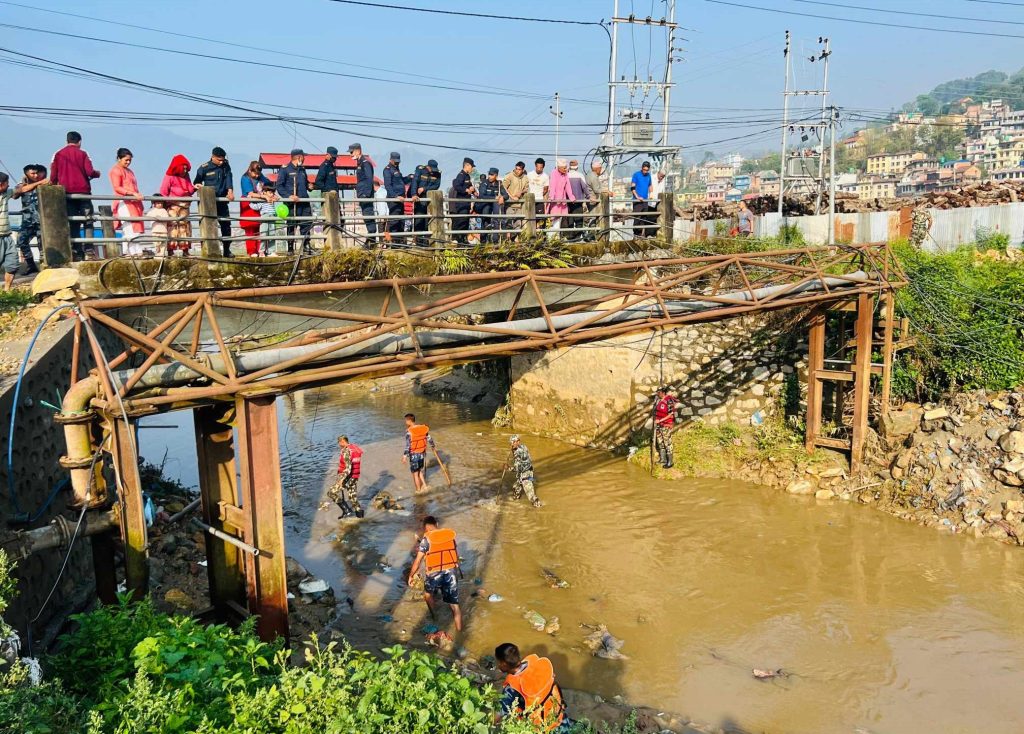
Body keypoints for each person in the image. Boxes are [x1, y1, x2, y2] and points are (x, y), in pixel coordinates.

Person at [494, 642, 570, 732]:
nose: (497, 665)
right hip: (560, 719)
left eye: (498, 662)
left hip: (542, 729)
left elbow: (498, 715)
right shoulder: (538, 665)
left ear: (504, 664)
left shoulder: (512, 688)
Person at [49, 131, 100, 260]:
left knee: (73, 222)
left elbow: (53, 176)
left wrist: (55, 184)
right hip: (83, 192)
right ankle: (89, 249)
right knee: (88, 220)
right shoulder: (83, 154)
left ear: (67, 141)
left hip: (67, 194)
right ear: (79, 142)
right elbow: (89, 171)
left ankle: (77, 251)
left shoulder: (58, 154)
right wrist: (96, 174)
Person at [407, 515, 462, 632]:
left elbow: (417, 561)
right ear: (436, 524)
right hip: (450, 571)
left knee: (427, 595)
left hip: (434, 573)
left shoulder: (426, 540)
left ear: (425, 528)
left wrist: (411, 576)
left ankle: (434, 616)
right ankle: (459, 632)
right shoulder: (449, 536)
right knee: (455, 606)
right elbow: (455, 555)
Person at [193, 146, 235, 257]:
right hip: (209, 201)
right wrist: (199, 186)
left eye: (223, 160)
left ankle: (227, 250)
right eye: (219, 160)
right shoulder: (204, 168)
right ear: (213, 157)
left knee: (226, 225)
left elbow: (229, 179)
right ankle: (210, 251)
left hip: (222, 201)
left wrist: (230, 191)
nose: (221, 162)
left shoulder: (226, 166)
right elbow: (196, 182)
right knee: (210, 226)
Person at [275, 149, 312, 254]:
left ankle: (306, 245)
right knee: (291, 224)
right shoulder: (285, 170)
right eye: (303, 157)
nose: (304, 159)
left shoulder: (302, 169)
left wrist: (309, 186)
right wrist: (289, 196)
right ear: (299, 157)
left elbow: (305, 183)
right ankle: (290, 247)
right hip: (292, 203)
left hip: (304, 201)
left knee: (306, 224)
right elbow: (279, 186)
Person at [12, 164, 47, 274]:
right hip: (27, 220)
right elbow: (16, 193)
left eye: (37, 173)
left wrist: (40, 183)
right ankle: (31, 265)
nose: (35, 175)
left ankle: (44, 266)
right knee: (21, 241)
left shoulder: (45, 183)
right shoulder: (23, 185)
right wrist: (35, 183)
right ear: (26, 174)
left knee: (43, 244)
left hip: (42, 220)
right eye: (32, 173)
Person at [109, 148, 145, 254]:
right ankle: (128, 251)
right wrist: (132, 193)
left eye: (130, 160)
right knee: (129, 227)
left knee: (136, 227)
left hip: (134, 202)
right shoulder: (115, 170)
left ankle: (137, 251)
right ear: (119, 159)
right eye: (126, 160)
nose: (128, 162)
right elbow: (117, 187)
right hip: (124, 202)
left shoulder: (130, 171)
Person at [159, 154, 196, 256]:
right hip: (172, 207)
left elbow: (189, 189)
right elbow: (163, 192)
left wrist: (195, 188)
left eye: (186, 168)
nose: (185, 170)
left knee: (185, 228)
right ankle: (171, 250)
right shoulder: (169, 177)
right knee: (173, 228)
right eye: (183, 168)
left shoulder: (186, 176)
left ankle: (185, 250)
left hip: (184, 207)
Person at [240, 161, 273, 257]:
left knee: (260, 227)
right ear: (250, 170)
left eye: (258, 174)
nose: (257, 176)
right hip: (249, 202)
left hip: (260, 203)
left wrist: (270, 194)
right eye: (255, 173)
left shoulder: (260, 176)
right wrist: (263, 197)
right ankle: (251, 251)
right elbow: (250, 193)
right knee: (250, 227)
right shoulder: (245, 178)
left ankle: (260, 250)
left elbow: (268, 184)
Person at [328, 435, 364, 519]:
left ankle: (346, 510)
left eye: (339, 443)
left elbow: (348, 468)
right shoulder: (353, 447)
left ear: (342, 442)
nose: (339, 445)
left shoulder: (346, 451)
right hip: (355, 476)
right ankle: (360, 518)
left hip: (348, 477)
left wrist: (341, 479)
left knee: (331, 493)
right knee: (352, 497)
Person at [349, 143, 377, 245]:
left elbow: (369, 179)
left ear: (358, 151)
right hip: (362, 194)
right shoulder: (360, 163)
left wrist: (366, 194)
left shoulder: (365, 163)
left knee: (368, 215)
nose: (350, 155)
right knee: (366, 216)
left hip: (366, 195)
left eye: (352, 152)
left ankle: (372, 240)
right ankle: (371, 239)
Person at [403, 412, 435, 494]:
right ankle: (424, 485)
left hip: (414, 455)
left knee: (415, 474)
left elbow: (408, 445)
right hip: (422, 454)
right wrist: (432, 446)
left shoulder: (409, 432)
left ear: (409, 421)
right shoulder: (423, 429)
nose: (405, 422)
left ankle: (418, 491)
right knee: (419, 470)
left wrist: (404, 456)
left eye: (406, 421)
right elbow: (429, 438)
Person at [411, 159, 441, 245]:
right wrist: (413, 194)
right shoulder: (420, 170)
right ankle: (418, 241)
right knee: (419, 219)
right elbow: (414, 182)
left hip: (430, 199)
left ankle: (426, 241)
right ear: (428, 167)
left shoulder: (437, 173)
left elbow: (436, 185)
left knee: (427, 221)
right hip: (419, 199)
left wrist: (424, 189)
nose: (433, 171)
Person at [508, 435, 542, 508]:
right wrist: (513, 449)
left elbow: (517, 467)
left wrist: (508, 468)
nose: (516, 443)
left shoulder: (517, 453)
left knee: (531, 496)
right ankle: (516, 501)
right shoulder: (523, 446)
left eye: (516, 441)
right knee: (516, 487)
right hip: (528, 471)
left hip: (525, 474)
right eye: (515, 442)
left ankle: (540, 509)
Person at [476, 167, 506, 244]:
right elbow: (482, 195)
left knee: (497, 220)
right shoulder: (484, 183)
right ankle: (483, 242)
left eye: (492, 175)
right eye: (489, 174)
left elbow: (506, 194)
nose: (489, 176)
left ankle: (495, 240)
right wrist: (494, 198)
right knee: (485, 221)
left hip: (494, 206)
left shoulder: (499, 184)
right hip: (485, 205)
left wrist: (503, 197)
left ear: (496, 176)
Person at [451, 157, 476, 244]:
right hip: (461, 203)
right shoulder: (461, 175)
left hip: (466, 203)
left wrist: (473, 190)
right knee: (461, 221)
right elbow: (456, 185)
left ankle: (464, 239)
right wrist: (466, 190)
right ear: (467, 165)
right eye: (471, 166)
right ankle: (458, 239)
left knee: (465, 222)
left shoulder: (467, 176)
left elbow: (469, 186)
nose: (472, 168)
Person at [382, 151, 406, 242]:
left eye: (398, 161)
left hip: (400, 199)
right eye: (395, 161)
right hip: (394, 200)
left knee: (401, 221)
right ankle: (395, 243)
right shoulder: (387, 170)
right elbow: (388, 185)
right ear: (390, 160)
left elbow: (401, 181)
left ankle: (400, 242)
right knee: (394, 221)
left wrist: (409, 178)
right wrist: (395, 196)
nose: (397, 163)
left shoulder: (396, 169)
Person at [653, 386, 678, 469]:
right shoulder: (659, 400)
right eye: (657, 392)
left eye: (659, 392)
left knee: (667, 442)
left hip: (666, 425)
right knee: (660, 442)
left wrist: (660, 420)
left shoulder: (669, 400)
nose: (657, 394)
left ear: (663, 392)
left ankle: (670, 462)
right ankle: (663, 459)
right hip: (659, 425)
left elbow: (671, 414)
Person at [565, 160, 591, 239]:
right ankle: (578, 237)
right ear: (577, 167)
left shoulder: (566, 175)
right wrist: (588, 196)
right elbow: (584, 187)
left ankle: (570, 237)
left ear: (569, 167)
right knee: (579, 219)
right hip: (578, 201)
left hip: (568, 201)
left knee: (570, 219)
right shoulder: (580, 175)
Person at [501, 161, 529, 233]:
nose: (517, 171)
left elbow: (527, 188)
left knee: (518, 225)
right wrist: (512, 197)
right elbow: (503, 187)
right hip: (509, 204)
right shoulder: (509, 176)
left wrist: (521, 192)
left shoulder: (525, 177)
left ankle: (516, 242)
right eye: (516, 168)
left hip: (519, 205)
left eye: (519, 169)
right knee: (508, 225)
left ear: (523, 170)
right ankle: (507, 242)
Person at [0, 173, 17, 290]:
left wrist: (39, 183)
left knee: (12, 264)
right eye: (7, 183)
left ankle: (7, 291)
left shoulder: (6, 193)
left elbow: (21, 189)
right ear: (1, 184)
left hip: (7, 236)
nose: (9, 184)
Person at [585, 160, 608, 240]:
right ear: (597, 168)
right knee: (593, 218)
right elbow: (596, 190)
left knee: (594, 218)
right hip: (593, 200)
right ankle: (590, 236)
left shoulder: (589, 174)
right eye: (600, 168)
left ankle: (591, 235)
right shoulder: (593, 177)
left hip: (590, 199)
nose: (601, 170)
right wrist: (607, 191)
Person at [630, 161, 653, 239]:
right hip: (637, 201)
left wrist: (651, 193)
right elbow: (632, 187)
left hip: (645, 200)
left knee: (644, 217)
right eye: (644, 170)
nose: (645, 171)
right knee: (637, 218)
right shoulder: (636, 175)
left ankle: (642, 235)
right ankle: (636, 234)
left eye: (647, 170)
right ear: (642, 168)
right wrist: (637, 197)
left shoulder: (649, 176)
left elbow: (650, 185)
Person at [528, 158, 549, 227]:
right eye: (538, 167)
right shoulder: (529, 175)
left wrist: (539, 195)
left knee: (541, 220)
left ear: (543, 167)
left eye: (541, 167)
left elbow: (546, 189)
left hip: (540, 200)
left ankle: (542, 237)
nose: (539, 169)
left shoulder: (545, 176)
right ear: (535, 166)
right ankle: (531, 237)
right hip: (530, 200)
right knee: (530, 220)